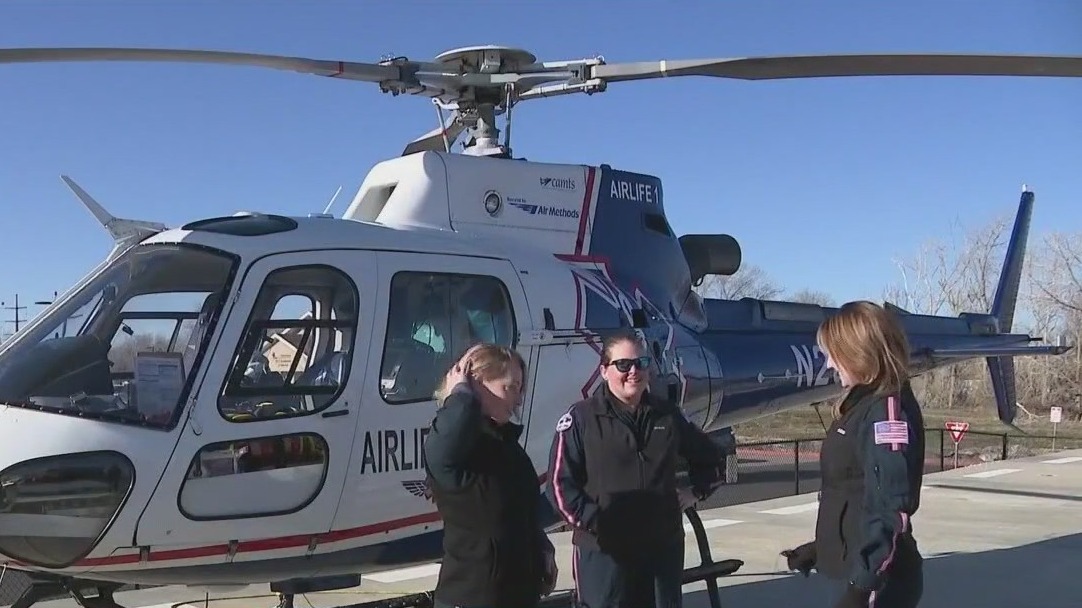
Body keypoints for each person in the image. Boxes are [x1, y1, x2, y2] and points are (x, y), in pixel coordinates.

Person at [546, 329, 727, 608]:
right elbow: (560, 488)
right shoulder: (581, 420)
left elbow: (712, 459)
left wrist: (695, 492)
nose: (634, 372)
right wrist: (598, 522)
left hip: (660, 551)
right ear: (604, 371)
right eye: (623, 364)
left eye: (641, 363)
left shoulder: (667, 415)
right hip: (605, 554)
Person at [781, 301, 926, 608]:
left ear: (858, 353)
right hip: (847, 569)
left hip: (875, 583)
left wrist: (862, 589)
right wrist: (823, 548)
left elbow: (889, 509)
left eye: (834, 354)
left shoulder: (887, 413)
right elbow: (852, 492)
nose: (829, 364)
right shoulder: (860, 405)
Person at [423, 344, 558, 608]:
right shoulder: (456, 451)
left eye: (520, 388)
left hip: (517, 595)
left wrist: (541, 548)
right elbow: (447, 438)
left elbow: (519, 513)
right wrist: (460, 394)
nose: (518, 400)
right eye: (510, 387)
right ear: (477, 383)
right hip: (471, 596)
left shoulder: (508, 448)